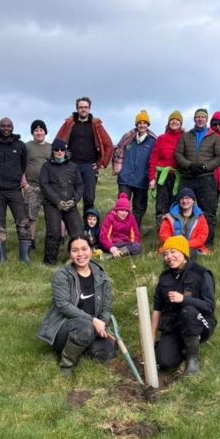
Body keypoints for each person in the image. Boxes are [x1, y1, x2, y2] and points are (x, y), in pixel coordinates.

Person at [36, 235, 115, 376]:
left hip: (91, 327)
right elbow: (63, 306)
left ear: (91, 251)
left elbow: (107, 308)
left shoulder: (102, 277)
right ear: (69, 254)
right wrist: (92, 320)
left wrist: (102, 324)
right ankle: (66, 366)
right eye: (75, 250)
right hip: (64, 328)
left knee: (108, 352)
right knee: (85, 327)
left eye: (84, 249)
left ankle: (79, 348)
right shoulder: (62, 276)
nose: (80, 254)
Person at [152, 235, 216, 375]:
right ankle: (182, 347)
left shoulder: (201, 274)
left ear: (184, 253)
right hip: (173, 325)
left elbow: (209, 306)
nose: (169, 257)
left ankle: (192, 359)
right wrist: (152, 337)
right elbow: (157, 308)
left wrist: (184, 299)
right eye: (166, 254)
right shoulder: (164, 277)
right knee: (165, 362)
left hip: (200, 322)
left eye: (173, 252)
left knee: (187, 311)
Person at [54, 96, 114, 213]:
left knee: (89, 198)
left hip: (89, 166)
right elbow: (57, 142)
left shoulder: (96, 125)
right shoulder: (69, 123)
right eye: (81, 107)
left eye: (85, 107)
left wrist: (102, 163)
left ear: (89, 109)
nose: (83, 109)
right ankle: (70, 226)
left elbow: (109, 145)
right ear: (77, 108)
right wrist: (62, 159)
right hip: (71, 165)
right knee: (68, 196)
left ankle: (88, 226)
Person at [175, 109, 220, 245]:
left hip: (206, 178)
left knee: (208, 211)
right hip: (188, 177)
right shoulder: (186, 136)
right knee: (183, 208)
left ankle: (207, 242)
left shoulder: (214, 137)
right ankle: (183, 240)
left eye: (203, 117)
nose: (200, 119)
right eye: (198, 117)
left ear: (206, 119)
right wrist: (189, 165)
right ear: (194, 119)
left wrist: (204, 166)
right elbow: (178, 154)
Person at [0, 117, 31, 263]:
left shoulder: (20, 145)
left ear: (13, 127)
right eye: (3, 126)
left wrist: (16, 177)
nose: (6, 128)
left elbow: (23, 165)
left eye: (9, 126)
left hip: (15, 190)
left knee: (23, 222)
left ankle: (24, 257)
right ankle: (2, 257)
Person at [39, 140, 84, 265]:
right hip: (52, 204)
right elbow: (44, 185)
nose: (59, 152)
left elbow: (80, 185)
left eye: (62, 149)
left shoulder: (73, 166)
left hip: (70, 203)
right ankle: (50, 263)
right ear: (53, 151)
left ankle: (77, 260)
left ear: (65, 151)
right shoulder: (46, 167)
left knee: (78, 233)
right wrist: (57, 201)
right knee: (54, 233)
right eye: (56, 149)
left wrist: (74, 200)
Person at [115, 110, 156, 228]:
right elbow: (117, 151)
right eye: (140, 122)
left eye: (145, 122)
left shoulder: (153, 141)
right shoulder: (127, 138)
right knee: (122, 206)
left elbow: (154, 160)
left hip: (142, 179)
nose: (142, 125)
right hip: (125, 178)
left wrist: (150, 176)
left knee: (139, 207)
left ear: (148, 125)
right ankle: (120, 229)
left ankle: (135, 230)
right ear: (136, 124)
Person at [149, 110, 183, 225]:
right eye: (172, 120)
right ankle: (162, 232)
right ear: (168, 123)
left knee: (177, 204)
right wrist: (152, 178)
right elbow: (154, 158)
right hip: (163, 177)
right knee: (162, 205)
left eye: (177, 120)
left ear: (181, 123)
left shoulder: (185, 138)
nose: (174, 122)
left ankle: (176, 232)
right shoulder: (161, 138)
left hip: (179, 176)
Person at [24, 119, 51, 251]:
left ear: (45, 132)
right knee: (31, 216)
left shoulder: (51, 147)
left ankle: (56, 238)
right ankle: (30, 241)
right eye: (36, 130)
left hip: (48, 187)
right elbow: (19, 166)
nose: (39, 133)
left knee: (52, 215)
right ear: (32, 133)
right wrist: (25, 185)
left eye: (41, 130)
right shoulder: (26, 147)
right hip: (32, 186)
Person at [159, 187, 210, 256]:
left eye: (187, 198)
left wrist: (185, 245)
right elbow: (164, 235)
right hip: (173, 246)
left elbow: (201, 237)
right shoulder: (169, 217)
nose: (184, 201)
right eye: (182, 198)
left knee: (192, 253)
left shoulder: (200, 218)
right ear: (179, 201)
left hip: (192, 247)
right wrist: (176, 245)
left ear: (193, 201)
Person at [99, 193, 142, 258]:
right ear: (117, 210)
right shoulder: (110, 218)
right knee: (103, 245)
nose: (124, 213)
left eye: (126, 211)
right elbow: (103, 236)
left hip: (126, 244)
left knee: (137, 246)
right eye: (121, 210)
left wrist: (134, 243)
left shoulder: (131, 218)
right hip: (113, 244)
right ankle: (118, 253)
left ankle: (116, 254)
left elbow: (135, 234)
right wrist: (112, 248)